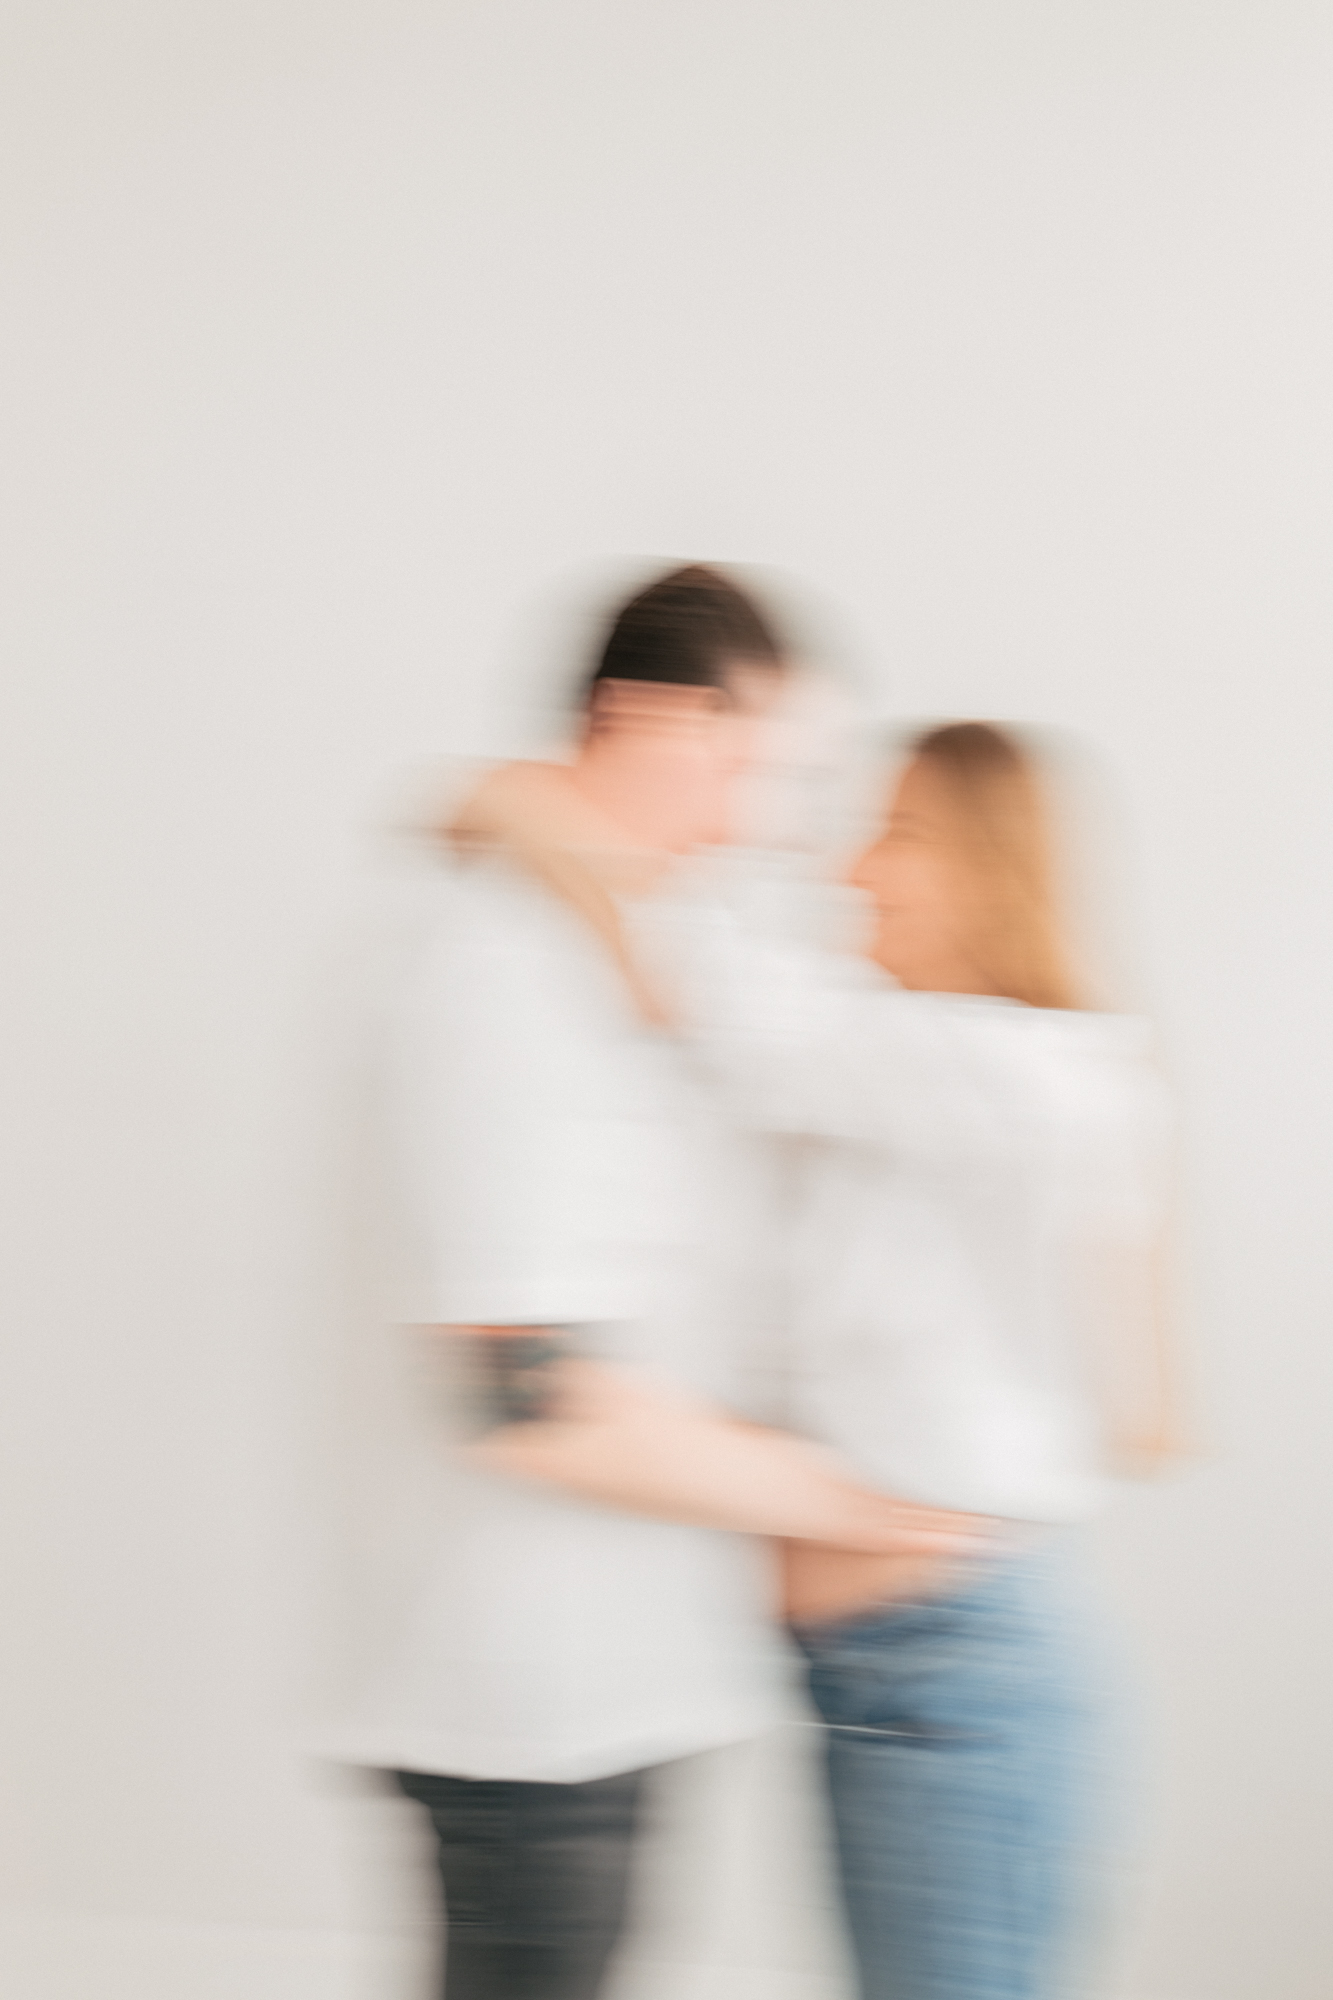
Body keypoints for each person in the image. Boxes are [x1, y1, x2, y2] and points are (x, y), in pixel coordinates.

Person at [326, 565, 983, 2000]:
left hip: (612, 1682)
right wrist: (869, 1506)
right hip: (525, 1701)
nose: (765, 817)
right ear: (642, 716)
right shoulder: (500, 968)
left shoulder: (633, 945)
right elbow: (525, 1394)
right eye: (750, 758)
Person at [452, 718, 1181, 2000]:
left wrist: (542, 823)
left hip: (955, 1675)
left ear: (992, 867)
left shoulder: (1025, 1070)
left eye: (899, 833)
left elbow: (723, 1003)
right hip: (866, 1672)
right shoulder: (893, 1071)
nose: (850, 868)